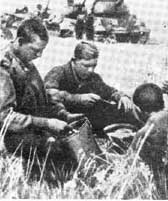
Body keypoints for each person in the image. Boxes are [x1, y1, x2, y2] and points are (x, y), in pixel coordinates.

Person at [0, 19, 84, 180]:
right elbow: (4, 118)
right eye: (35, 50)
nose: (39, 55)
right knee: (57, 149)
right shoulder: (4, 68)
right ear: (19, 42)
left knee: (71, 144)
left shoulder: (25, 62)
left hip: (26, 128)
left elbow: (39, 99)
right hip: (7, 135)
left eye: (42, 50)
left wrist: (64, 115)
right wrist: (46, 124)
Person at [44, 41, 142, 137]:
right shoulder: (58, 73)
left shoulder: (94, 78)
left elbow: (108, 91)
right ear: (74, 60)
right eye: (86, 66)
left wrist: (121, 96)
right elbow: (49, 95)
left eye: (94, 66)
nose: (90, 70)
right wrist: (77, 99)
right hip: (59, 122)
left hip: (83, 121)